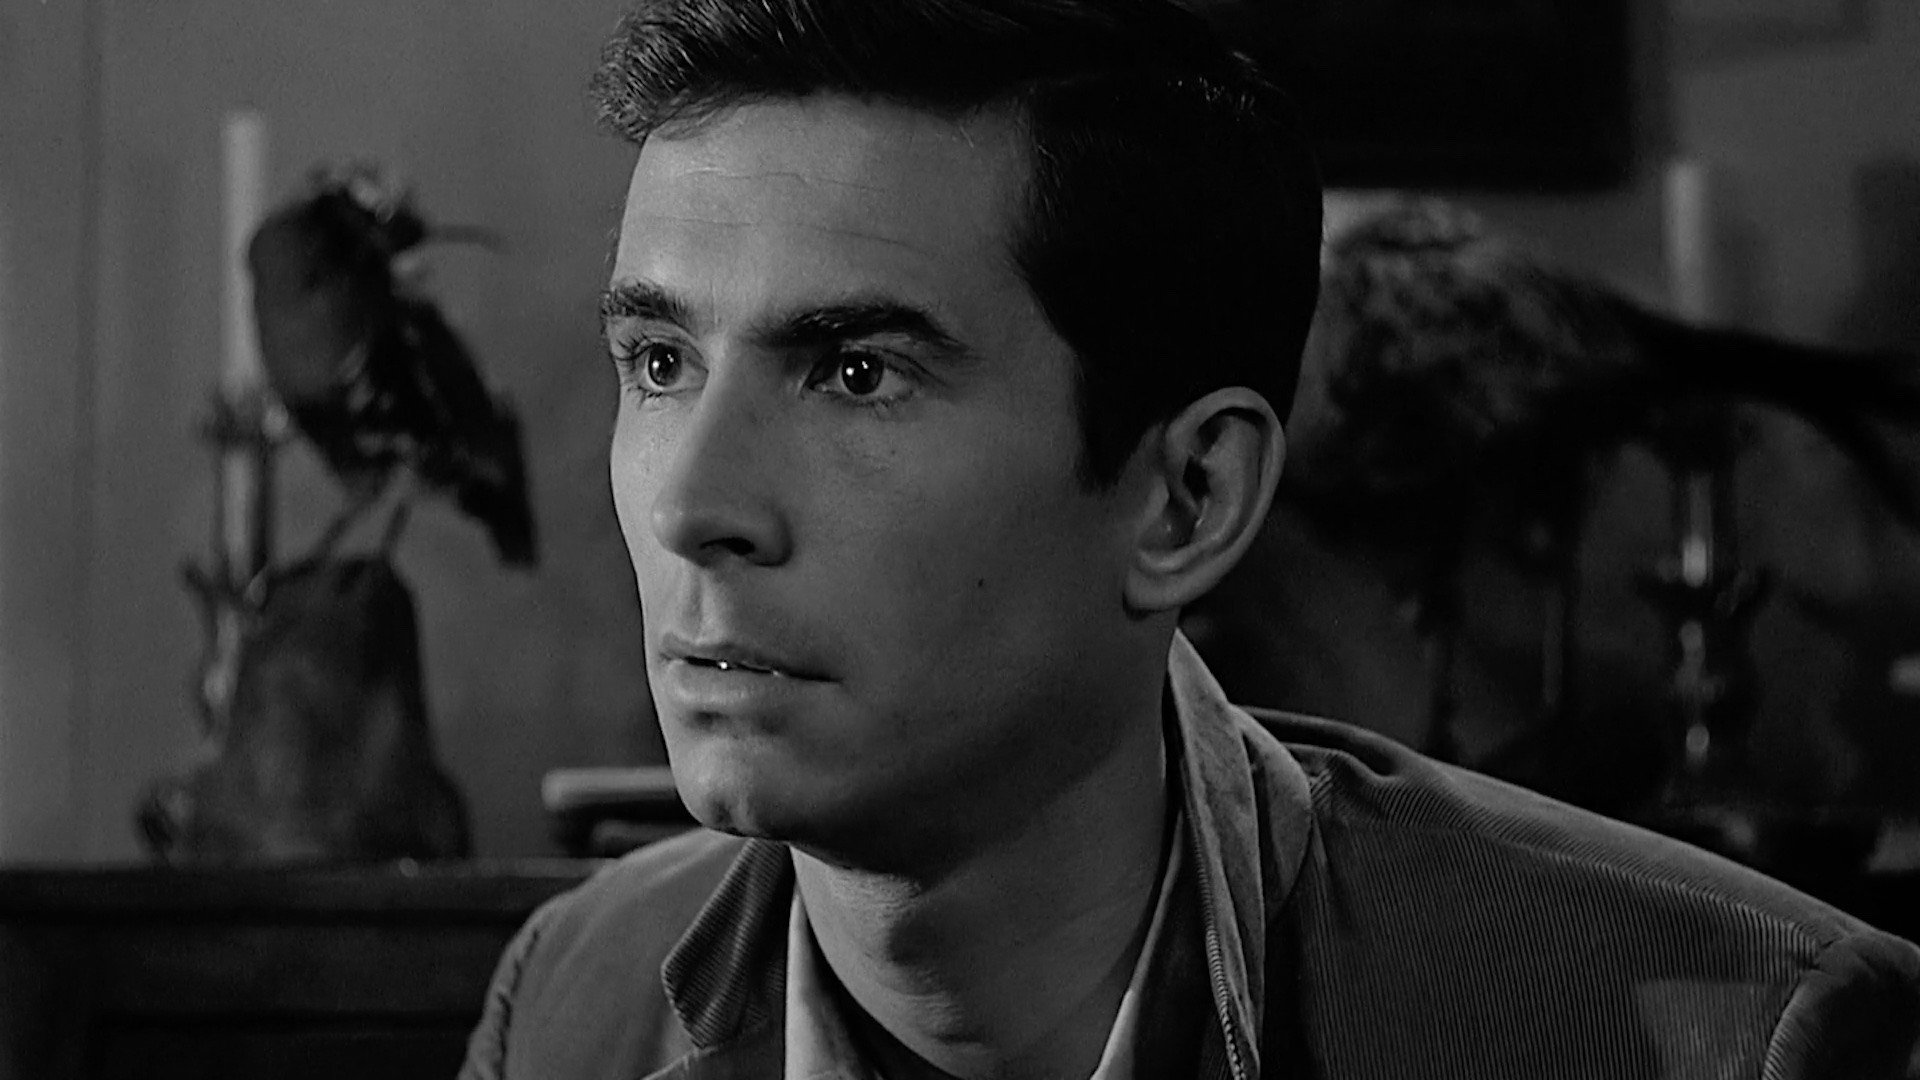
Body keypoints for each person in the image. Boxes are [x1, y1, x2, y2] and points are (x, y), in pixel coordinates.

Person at [460, 1, 1920, 1077]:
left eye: (856, 373)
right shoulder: (572, 1005)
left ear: (1189, 499)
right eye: (660, 362)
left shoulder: (1710, 1027)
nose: (690, 504)